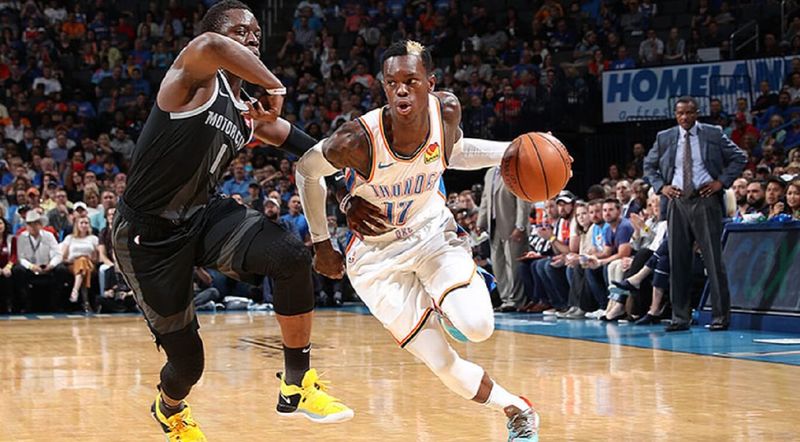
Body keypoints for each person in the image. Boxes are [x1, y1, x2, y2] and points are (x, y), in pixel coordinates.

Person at [110, 2, 353, 440]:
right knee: (188, 364)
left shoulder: (247, 108)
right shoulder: (192, 80)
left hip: (201, 215)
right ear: (220, 36)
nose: (253, 37)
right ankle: (169, 409)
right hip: (147, 234)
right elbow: (209, 45)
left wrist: (340, 182)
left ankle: (296, 384)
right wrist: (274, 83)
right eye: (241, 31)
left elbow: (299, 143)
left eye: (256, 32)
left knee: (288, 255)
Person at [295, 40, 540, 441]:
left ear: (431, 82)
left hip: (430, 234)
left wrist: (510, 152)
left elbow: (453, 153)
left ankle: (446, 300)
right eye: (393, 83)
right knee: (442, 363)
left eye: (411, 81)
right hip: (375, 257)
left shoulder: (446, 111)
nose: (402, 90)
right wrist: (322, 243)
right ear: (383, 87)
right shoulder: (355, 140)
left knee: (478, 327)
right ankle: (517, 408)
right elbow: (306, 170)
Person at [644, 96, 746, 332]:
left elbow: (739, 157)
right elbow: (649, 166)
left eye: (689, 112)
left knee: (713, 261)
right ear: (675, 115)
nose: (685, 117)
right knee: (677, 260)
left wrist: (721, 182)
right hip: (677, 201)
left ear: (697, 113)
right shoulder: (664, 137)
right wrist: (661, 187)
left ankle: (720, 317)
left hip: (705, 199)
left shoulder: (712, 133)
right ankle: (680, 317)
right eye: (680, 113)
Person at [478, 165, 531, 312]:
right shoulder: (490, 173)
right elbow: (485, 199)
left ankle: (516, 300)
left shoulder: (516, 170)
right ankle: (506, 298)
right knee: (498, 265)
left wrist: (520, 226)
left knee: (513, 265)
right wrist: (481, 222)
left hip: (512, 226)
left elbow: (523, 200)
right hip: (494, 225)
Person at [62, 215, 99, 312]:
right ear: (77, 225)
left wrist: (86, 258)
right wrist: (75, 259)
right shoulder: (70, 238)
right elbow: (63, 257)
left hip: (89, 264)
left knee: (83, 262)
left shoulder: (93, 239)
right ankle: (85, 302)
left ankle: (75, 290)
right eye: (81, 223)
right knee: (82, 266)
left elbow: (96, 258)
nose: (84, 225)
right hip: (72, 264)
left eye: (86, 223)